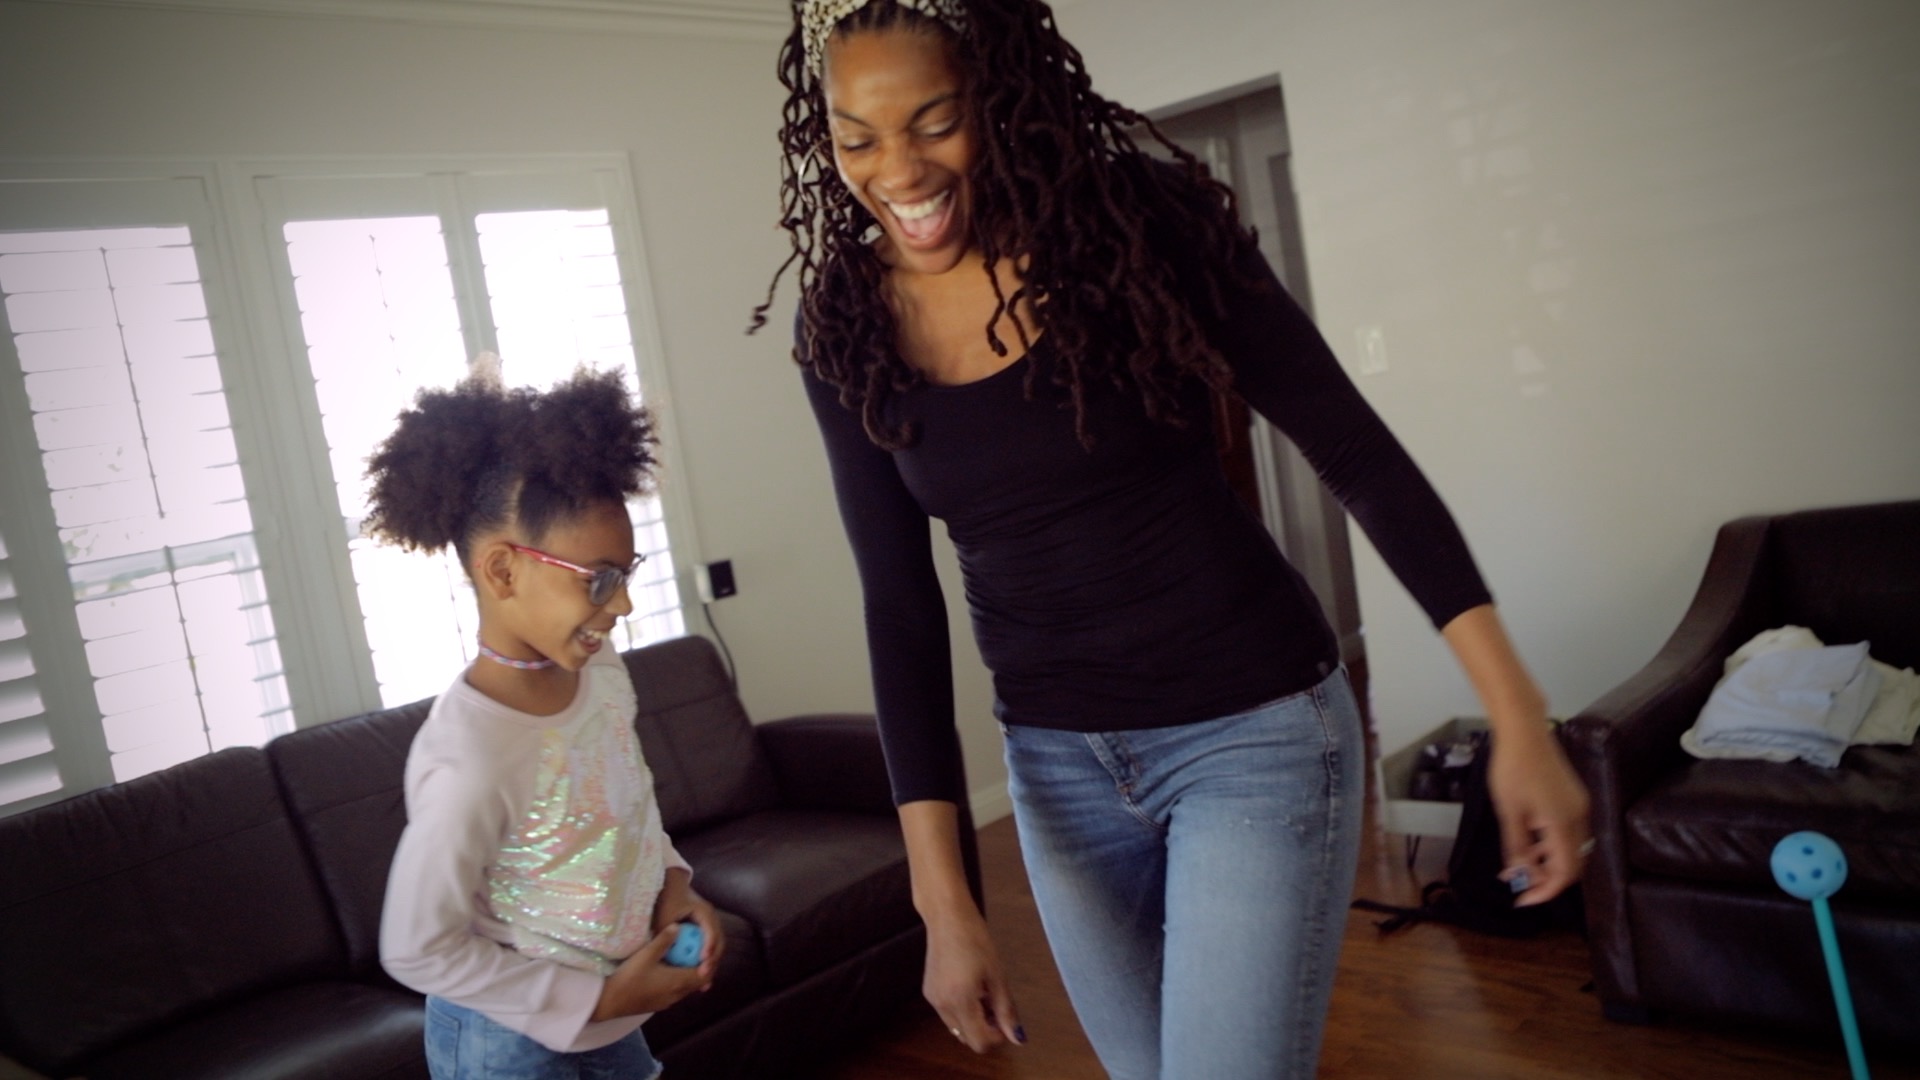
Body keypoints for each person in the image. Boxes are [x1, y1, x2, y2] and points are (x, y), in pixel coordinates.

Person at [755, 1, 1593, 1077]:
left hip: (1256, 734)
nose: (898, 169)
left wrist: (1518, 717)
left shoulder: (1140, 223)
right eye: (857, 135)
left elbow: (1359, 456)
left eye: (934, 120)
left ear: (995, 97)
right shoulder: (842, 321)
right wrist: (942, 897)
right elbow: (899, 608)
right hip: (1056, 769)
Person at [370, 365, 723, 1080]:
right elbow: (415, 946)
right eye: (598, 579)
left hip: (608, 1024)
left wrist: (674, 886)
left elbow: (626, 798)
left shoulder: (602, 672)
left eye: (626, 574)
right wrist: (589, 1000)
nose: (621, 607)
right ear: (502, 572)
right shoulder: (471, 757)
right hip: (508, 1049)